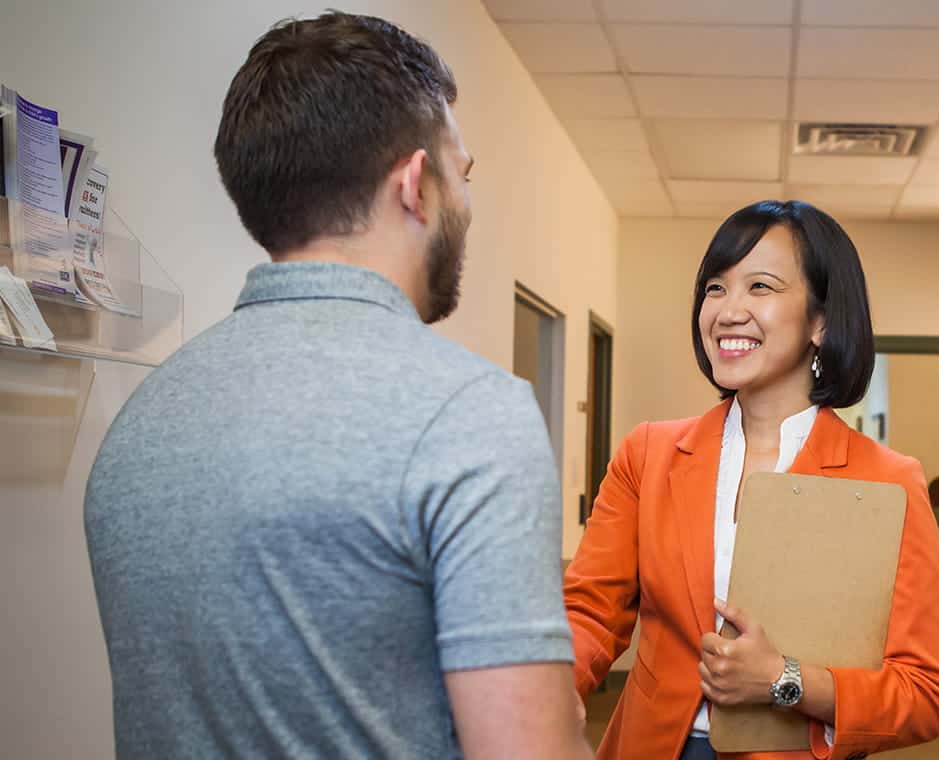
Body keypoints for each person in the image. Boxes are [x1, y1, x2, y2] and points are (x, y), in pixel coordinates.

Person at [83, 13, 592, 759]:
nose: (468, 202)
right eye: (465, 173)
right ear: (416, 185)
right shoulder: (470, 413)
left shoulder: (142, 417)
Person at [564, 201, 939, 760]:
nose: (728, 311)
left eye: (761, 287)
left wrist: (784, 680)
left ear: (820, 320)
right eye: (716, 288)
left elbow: (925, 693)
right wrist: (559, 681)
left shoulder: (887, 483)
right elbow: (591, 610)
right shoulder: (648, 454)